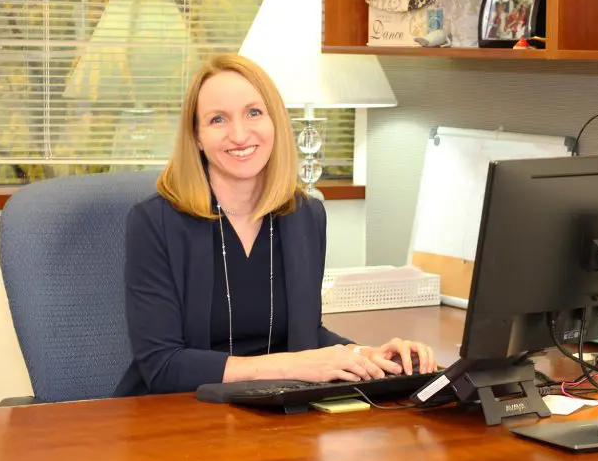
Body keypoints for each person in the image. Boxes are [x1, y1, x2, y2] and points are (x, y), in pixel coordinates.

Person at [114, 54, 438, 396]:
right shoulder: (155, 222)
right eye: (218, 119)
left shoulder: (305, 216)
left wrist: (364, 355)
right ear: (196, 136)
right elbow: (162, 365)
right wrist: (292, 366)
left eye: (254, 113)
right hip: (178, 411)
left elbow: (304, 335)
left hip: (272, 407)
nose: (240, 134)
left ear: (275, 121)